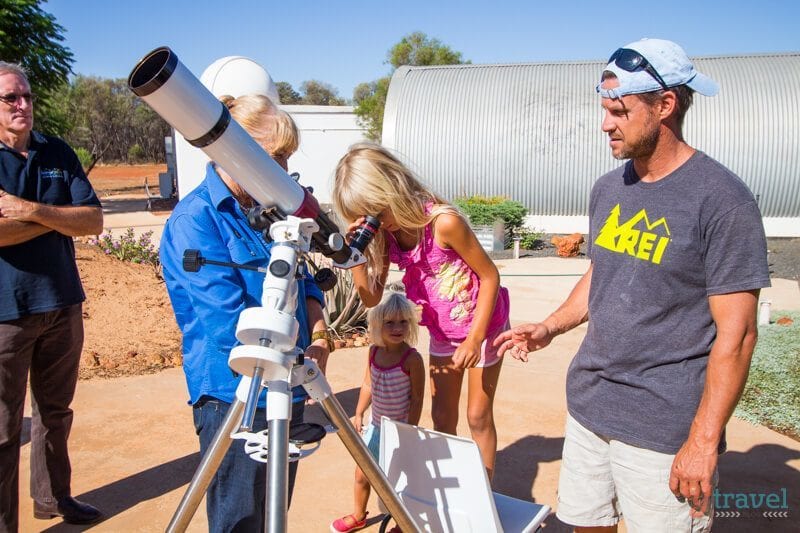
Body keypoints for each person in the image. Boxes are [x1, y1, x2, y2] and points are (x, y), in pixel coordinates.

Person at [495, 38, 770, 532]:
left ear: (665, 105)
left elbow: (739, 335)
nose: (606, 124)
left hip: (664, 427)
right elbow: (603, 270)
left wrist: (703, 442)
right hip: (590, 406)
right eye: (604, 110)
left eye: (619, 111)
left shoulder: (723, 200)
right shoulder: (609, 188)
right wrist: (550, 327)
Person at [160, 94, 331, 532]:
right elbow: (225, 324)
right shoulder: (194, 221)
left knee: (274, 511)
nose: (282, 170)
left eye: (286, 158)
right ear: (233, 150)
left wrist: (320, 334)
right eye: (274, 157)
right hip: (231, 392)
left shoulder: (268, 209)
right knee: (240, 520)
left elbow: (305, 278)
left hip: (284, 382)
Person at [332, 143, 510, 480]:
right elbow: (371, 298)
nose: (376, 224)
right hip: (445, 333)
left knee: (477, 416)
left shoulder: (443, 222)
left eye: (376, 213)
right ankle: (454, 488)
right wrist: (355, 256)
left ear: (392, 188)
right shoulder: (387, 235)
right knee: (442, 418)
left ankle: (484, 494)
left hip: (484, 329)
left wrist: (474, 339)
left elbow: (490, 276)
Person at [0, 62, 104, 529]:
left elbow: (93, 221)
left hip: (62, 303)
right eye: (10, 99)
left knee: (55, 414)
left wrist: (29, 210)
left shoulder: (56, 150)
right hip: (7, 313)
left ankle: (54, 498)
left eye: (26, 96)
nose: (22, 105)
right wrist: (58, 217)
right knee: (3, 428)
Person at [331, 285, 425, 533]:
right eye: (389, 323)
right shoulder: (373, 352)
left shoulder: (412, 359)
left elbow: (417, 399)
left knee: (398, 480)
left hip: (399, 431)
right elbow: (368, 384)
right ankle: (359, 515)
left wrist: (408, 430)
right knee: (362, 474)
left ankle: (400, 523)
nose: (397, 328)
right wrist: (359, 412)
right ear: (377, 324)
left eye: (403, 322)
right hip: (374, 427)